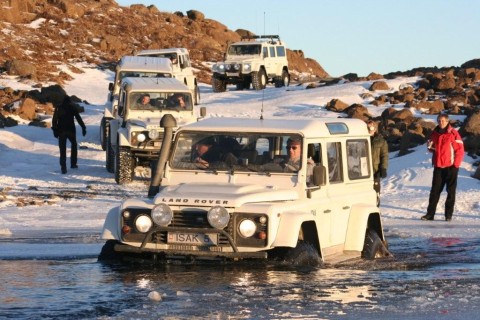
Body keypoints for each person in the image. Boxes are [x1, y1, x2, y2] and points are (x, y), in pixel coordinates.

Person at [422, 114, 464, 221]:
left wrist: (456, 165)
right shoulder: (434, 133)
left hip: (451, 167)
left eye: (443, 121)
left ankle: (448, 215)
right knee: (434, 191)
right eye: (439, 120)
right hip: (438, 166)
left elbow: (459, 150)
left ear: (447, 121)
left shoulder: (453, 133)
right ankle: (430, 214)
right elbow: (433, 149)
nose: (441, 122)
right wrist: (430, 147)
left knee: (450, 192)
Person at [51, 96, 87, 174]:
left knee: (62, 149)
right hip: (71, 130)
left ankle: (63, 168)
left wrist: (55, 130)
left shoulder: (58, 108)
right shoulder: (72, 107)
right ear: (69, 101)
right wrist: (83, 128)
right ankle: (73, 164)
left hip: (61, 131)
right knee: (74, 145)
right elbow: (78, 118)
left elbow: (54, 120)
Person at [367, 120, 389, 206]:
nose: (369, 129)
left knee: (375, 191)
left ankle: (376, 208)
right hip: (362, 171)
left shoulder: (381, 141)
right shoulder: (361, 139)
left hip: (375, 171)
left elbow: (384, 155)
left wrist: (383, 168)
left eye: (371, 127)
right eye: (368, 127)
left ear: (375, 129)